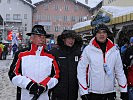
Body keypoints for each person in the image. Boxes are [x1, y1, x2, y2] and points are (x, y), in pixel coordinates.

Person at [77, 24, 128, 100]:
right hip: (93, 92)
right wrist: (84, 92)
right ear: (95, 35)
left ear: (107, 34)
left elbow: (119, 71)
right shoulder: (88, 50)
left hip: (110, 92)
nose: (101, 34)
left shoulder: (114, 50)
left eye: (104, 32)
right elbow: (81, 71)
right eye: (99, 32)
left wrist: (124, 90)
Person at [8, 25, 60, 100]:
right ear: (31, 38)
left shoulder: (51, 56)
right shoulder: (21, 54)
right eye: (39, 36)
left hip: (44, 97)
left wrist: (44, 85)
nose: (42, 39)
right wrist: (29, 85)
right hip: (24, 96)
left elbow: (56, 75)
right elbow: (13, 74)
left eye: (44, 37)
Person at [49, 30, 83, 100]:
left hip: (73, 92)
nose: (71, 41)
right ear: (63, 39)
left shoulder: (78, 53)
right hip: (58, 92)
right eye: (69, 38)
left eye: (73, 38)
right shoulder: (55, 53)